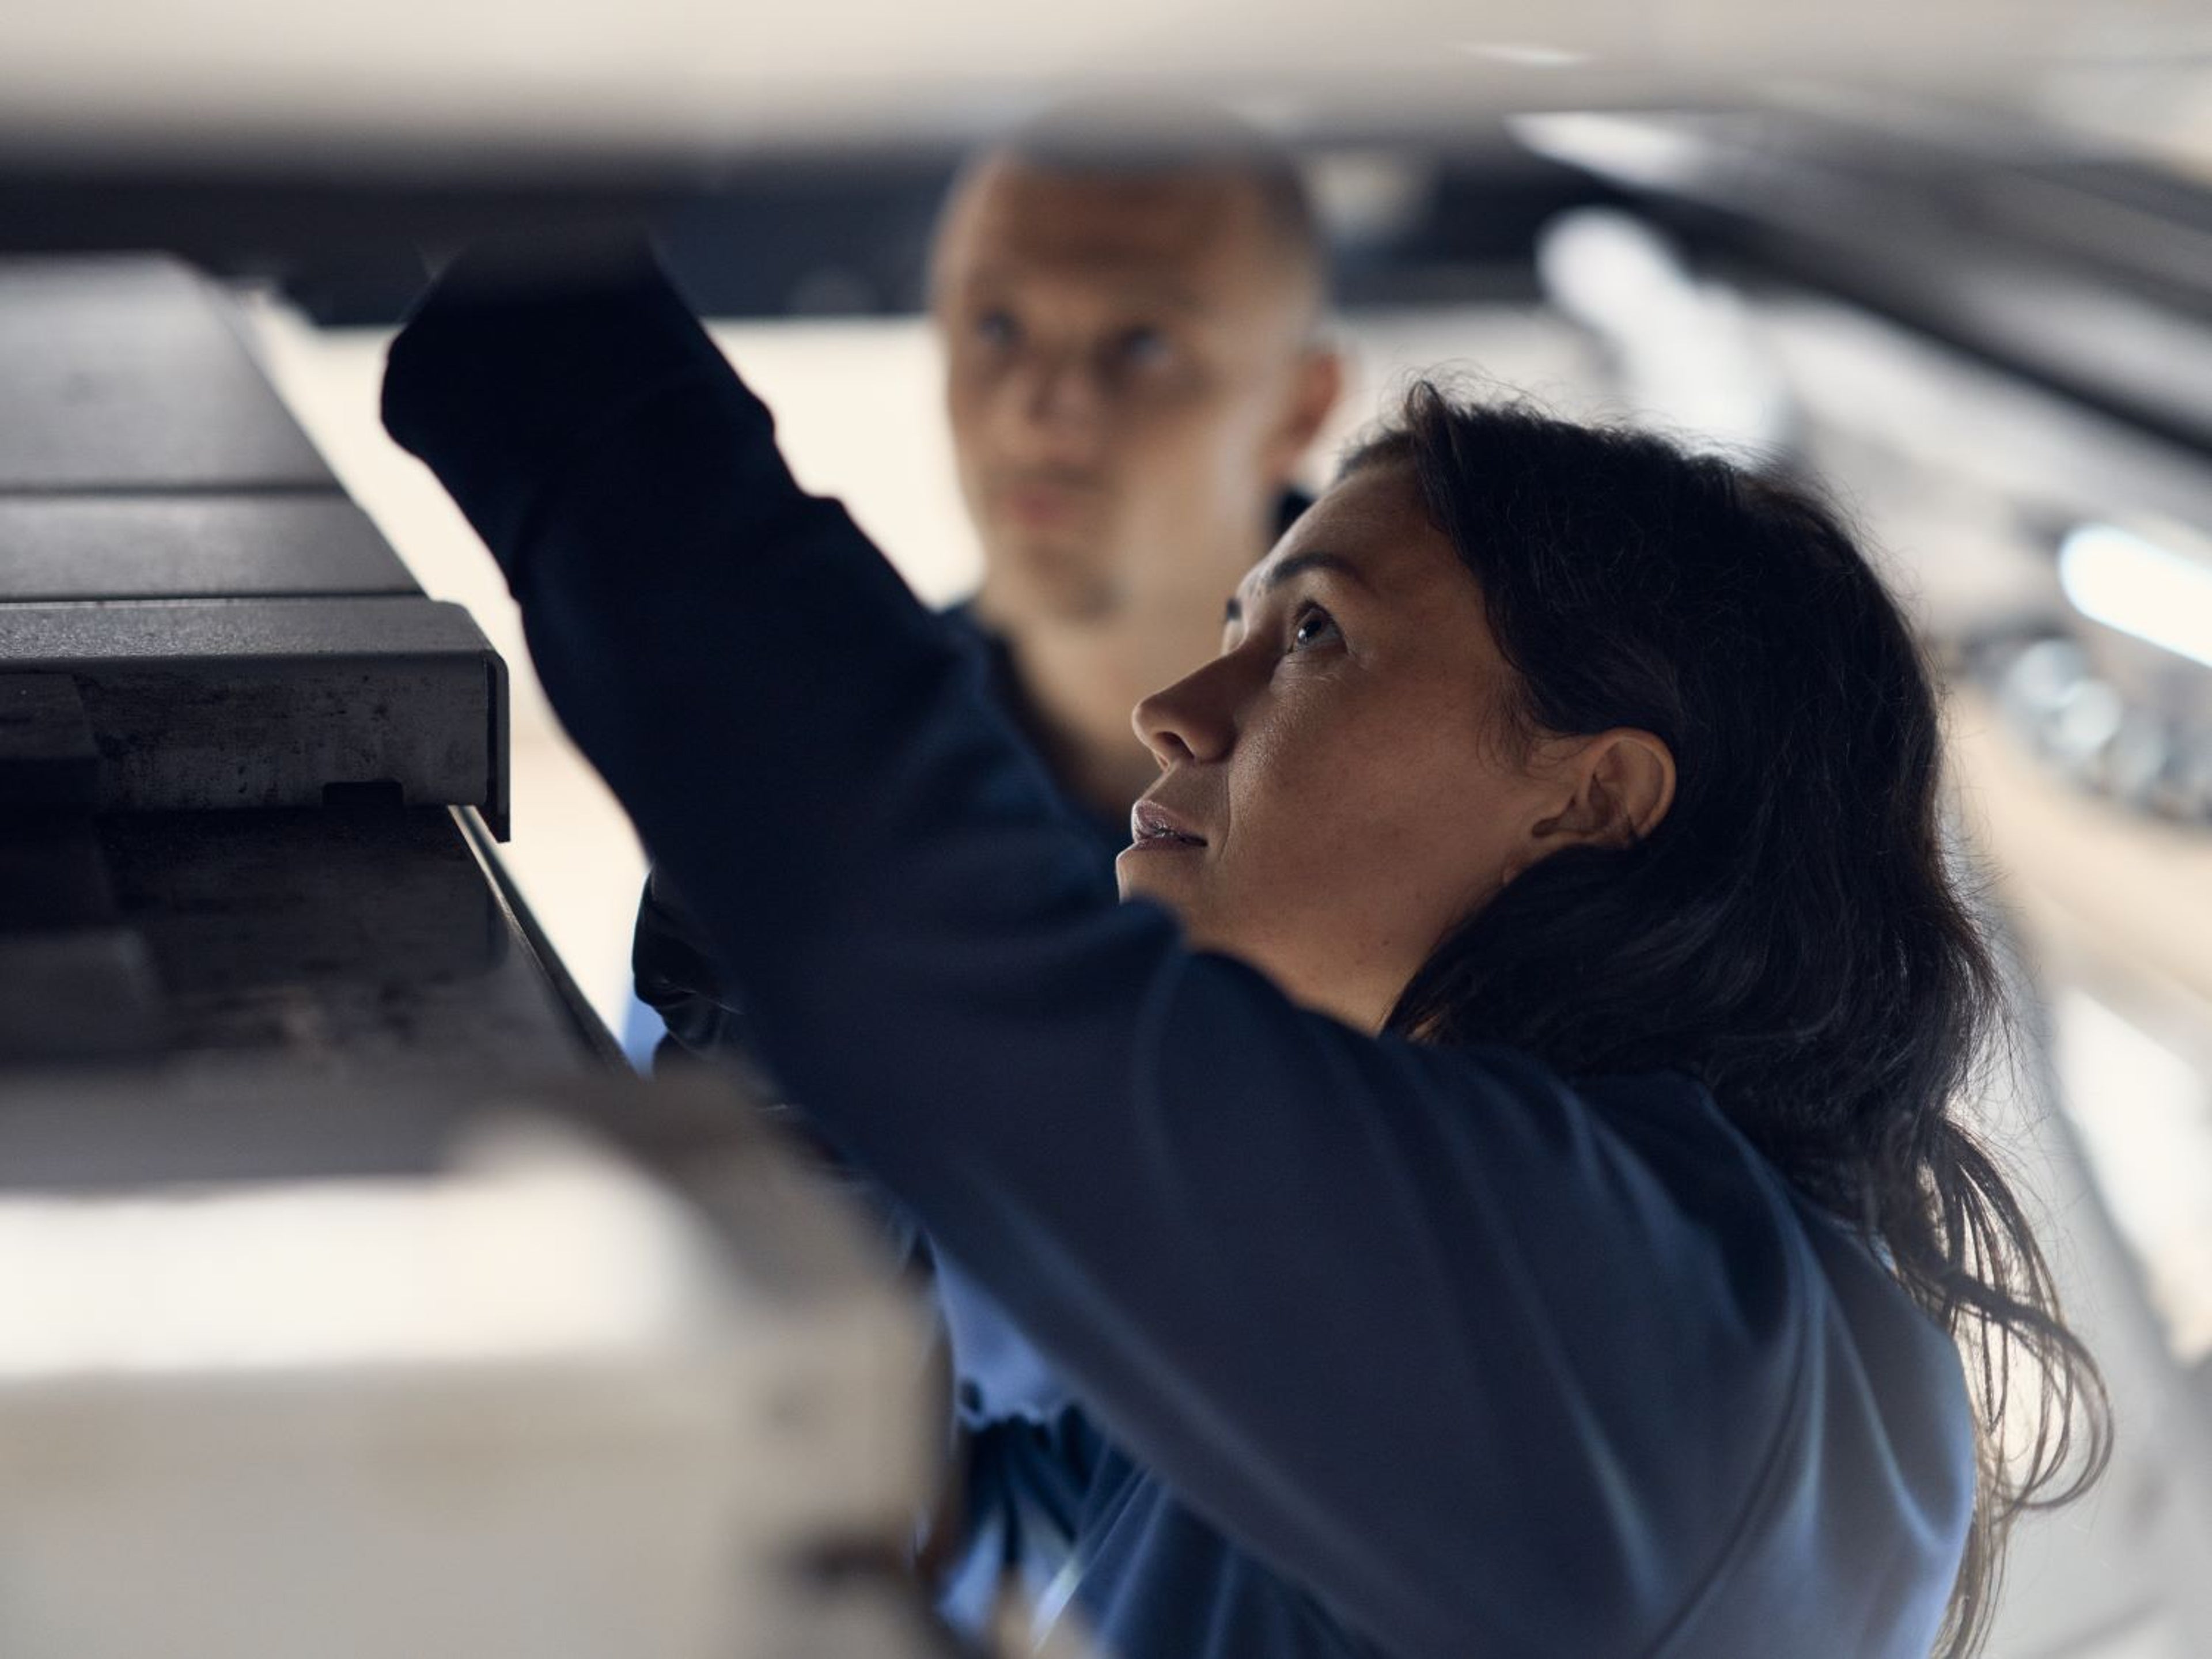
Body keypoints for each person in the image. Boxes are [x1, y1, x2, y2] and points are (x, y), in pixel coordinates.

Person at [383, 245, 2107, 1658]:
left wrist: (536, 298)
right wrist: (767, 1028)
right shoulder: (1540, 1306)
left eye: (1315, 637)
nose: (1178, 709)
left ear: (1588, 801)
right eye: (1238, 627)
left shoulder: (1684, 1348)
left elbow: (970, 989)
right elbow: (968, 1510)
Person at [632, 109, 1343, 1060]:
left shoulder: (1444, 777)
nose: (1038, 407)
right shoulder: (827, 769)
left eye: (1141, 343)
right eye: (997, 324)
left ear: (1301, 408)